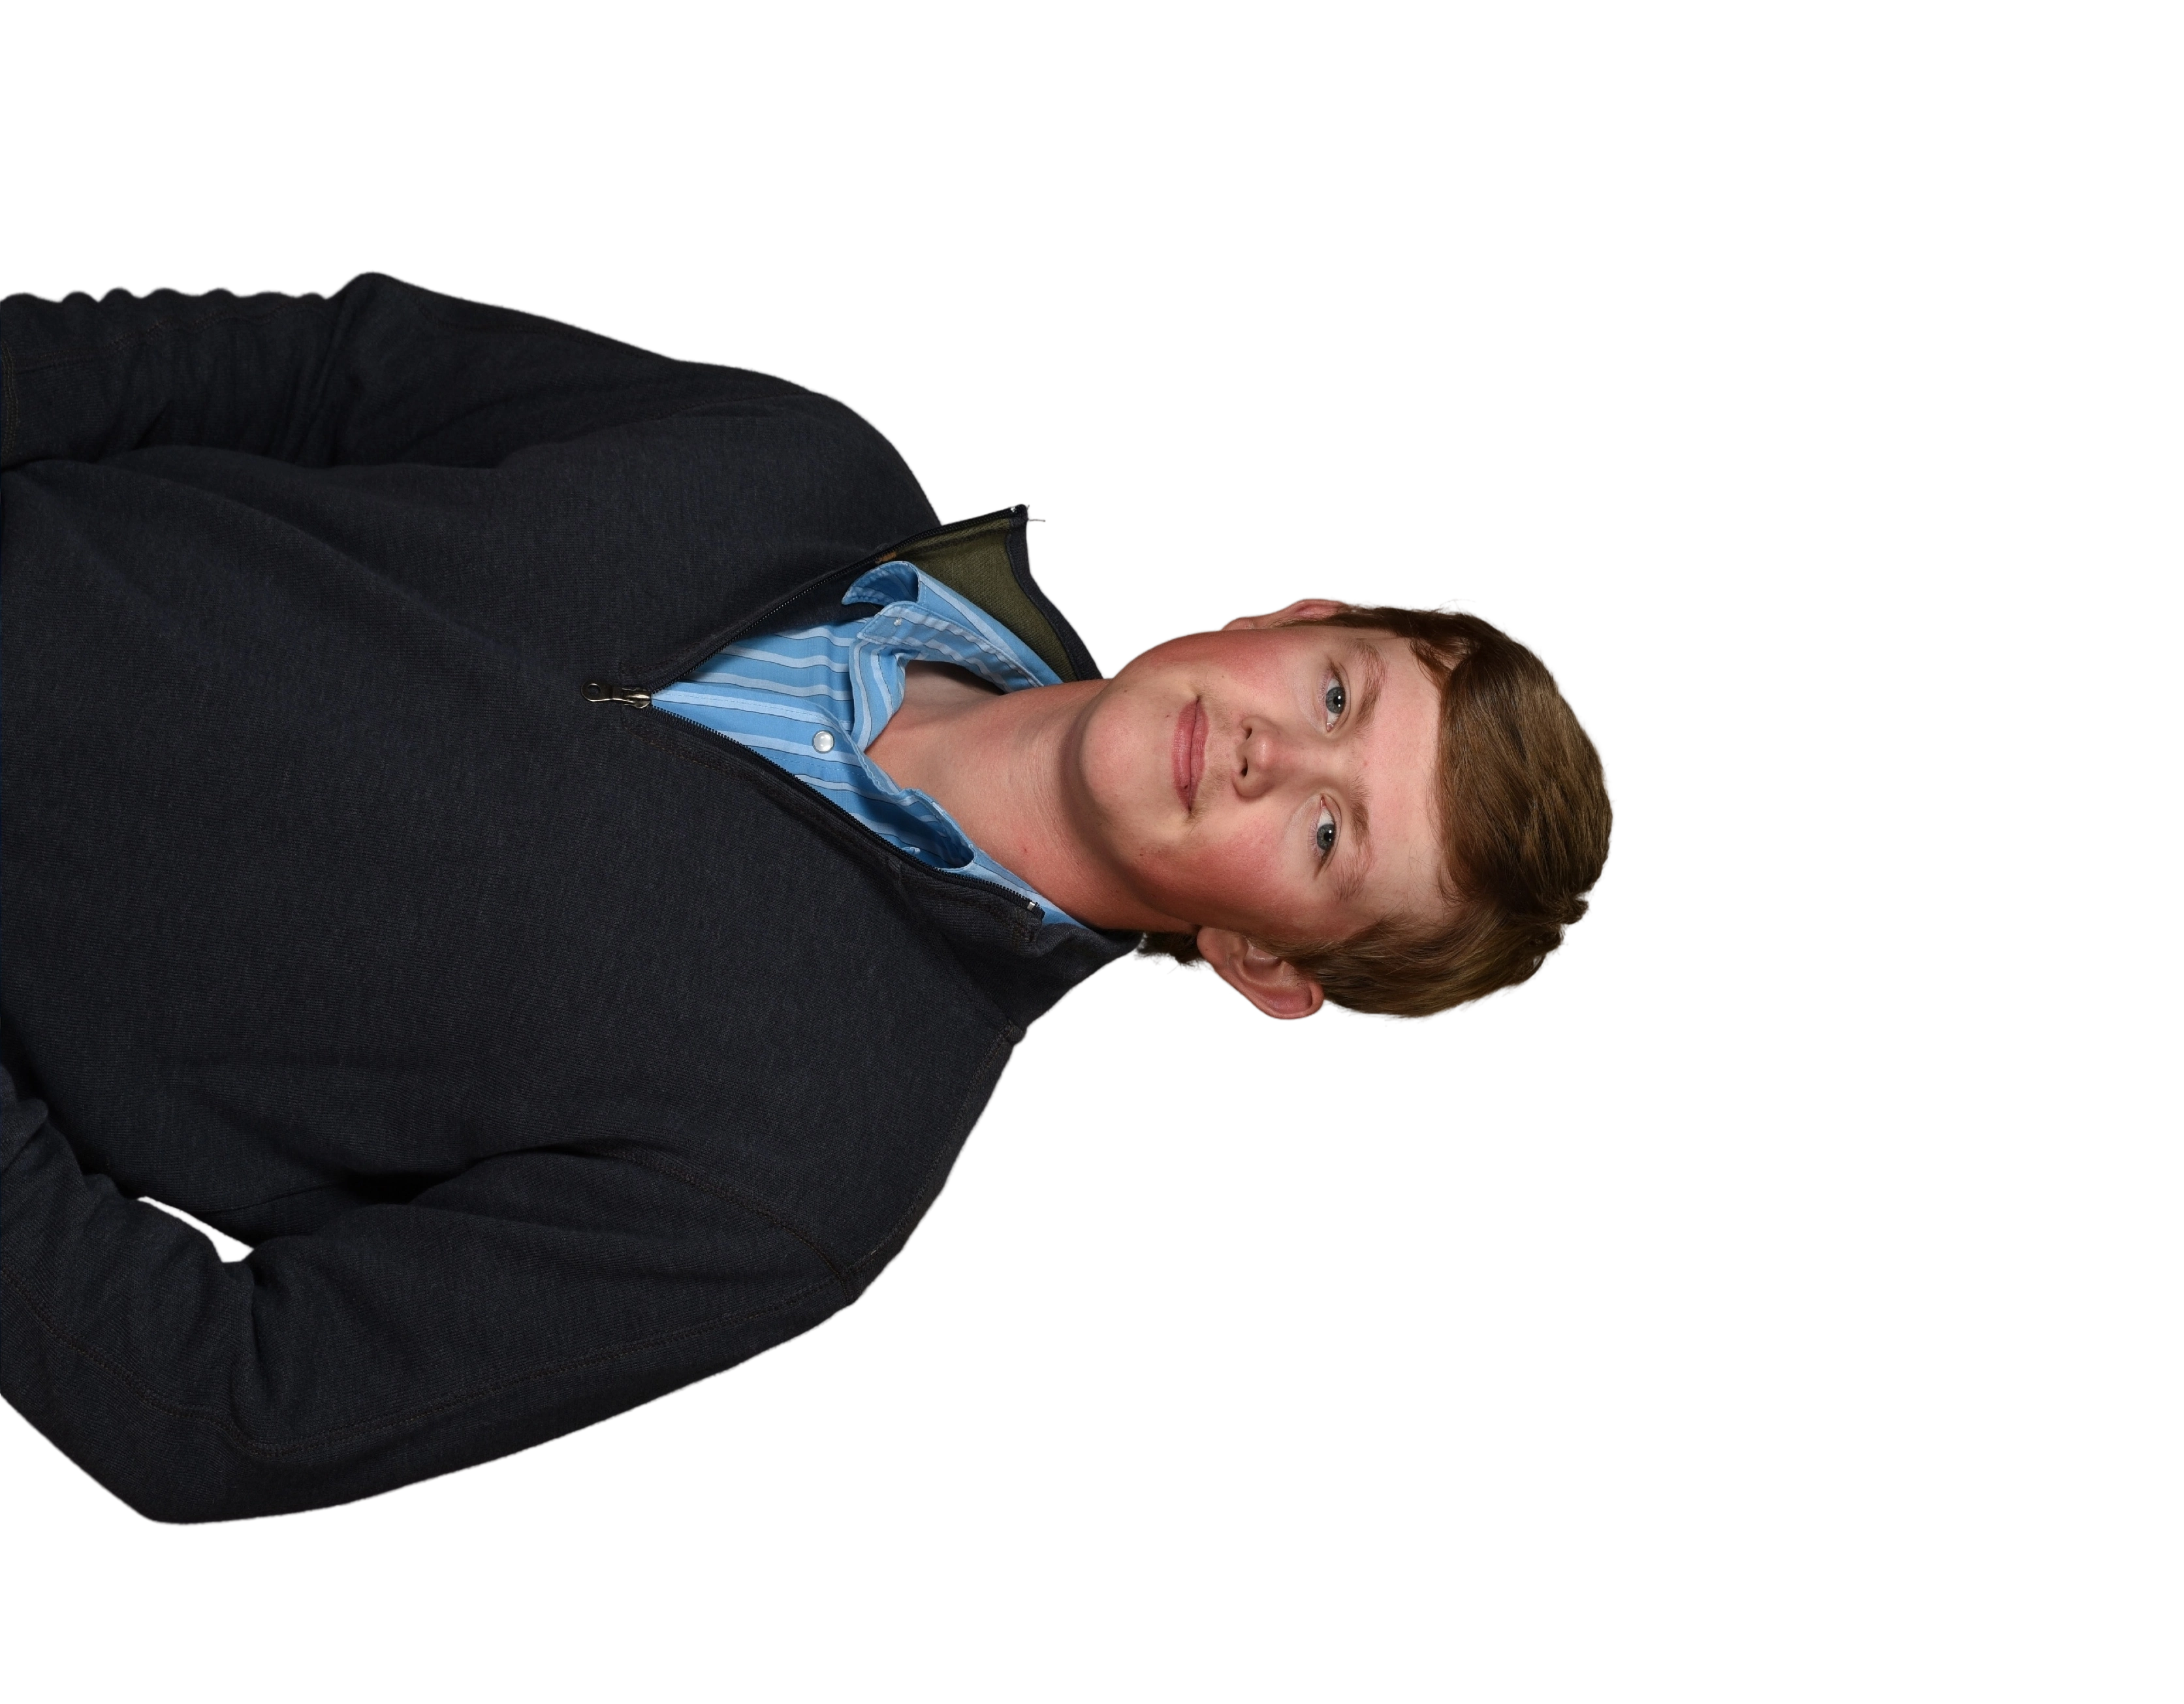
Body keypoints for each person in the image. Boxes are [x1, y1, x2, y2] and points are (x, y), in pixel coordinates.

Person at [0, 271, 1617, 1526]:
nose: (1273, 755)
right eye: (1336, 695)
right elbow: (326, 366)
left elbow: (235, 1409)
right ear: (1293, 615)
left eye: (1329, 836)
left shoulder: (808, 1178)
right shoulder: (810, 468)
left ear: (1263, 964)